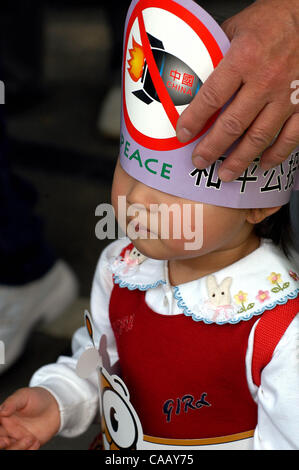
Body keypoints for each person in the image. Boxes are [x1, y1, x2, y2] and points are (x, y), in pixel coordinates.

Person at [0, 0, 298, 451]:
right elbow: (98, 357)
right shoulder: (121, 265)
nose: (137, 201)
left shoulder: (279, 328)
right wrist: (59, 396)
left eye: (174, 190)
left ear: (257, 207)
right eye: (131, 171)